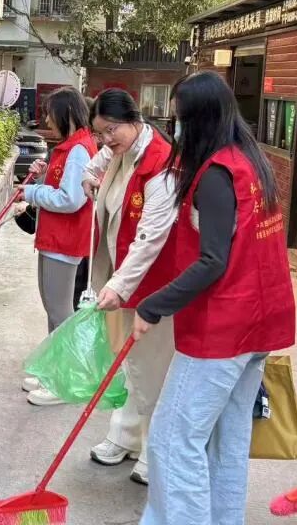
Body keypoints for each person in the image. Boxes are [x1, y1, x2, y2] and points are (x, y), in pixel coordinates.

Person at [133, 71, 296, 525]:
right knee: (228, 439)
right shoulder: (251, 161)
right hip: (259, 322)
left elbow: (212, 261)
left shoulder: (216, 175)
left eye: (179, 118)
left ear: (199, 119)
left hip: (223, 328)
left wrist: (153, 305)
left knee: (173, 439)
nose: (175, 127)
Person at [80, 88, 180, 486]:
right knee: (128, 363)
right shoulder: (120, 150)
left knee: (153, 369)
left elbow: (151, 237)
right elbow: (100, 159)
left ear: (134, 121)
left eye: (111, 130)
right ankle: (125, 437)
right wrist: (89, 175)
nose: (106, 140)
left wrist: (120, 285)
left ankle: (157, 452)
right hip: (121, 277)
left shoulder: (161, 163)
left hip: (153, 283)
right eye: (99, 133)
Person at [18, 86, 98, 406]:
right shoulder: (68, 148)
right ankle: (53, 372)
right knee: (53, 309)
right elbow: (59, 186)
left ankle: (66, 382)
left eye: (50, 114)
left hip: (65, 241)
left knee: (61, 312)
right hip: (54, 239)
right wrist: (40, 177)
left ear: (65, 114)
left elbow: (71, 199)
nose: (47, 121)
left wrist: (32, 194)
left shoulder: (79, 150)